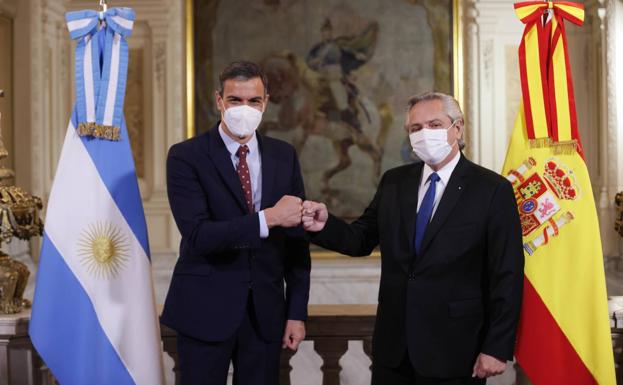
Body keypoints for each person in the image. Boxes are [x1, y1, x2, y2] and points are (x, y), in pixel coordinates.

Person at [302, 91, 524, 385]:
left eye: (434, 124)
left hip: (456, 351)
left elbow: (506, 275)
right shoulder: (394, 182)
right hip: (393, 351)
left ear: (457, 129)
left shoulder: (492, 190)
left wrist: (496, 347)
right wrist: (323, 224)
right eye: (415, 128)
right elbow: (360, 239)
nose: (424, 134)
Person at [161, 61, 310, 385]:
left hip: (265, 314)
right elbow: (199, 235)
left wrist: (296, 311)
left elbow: (296, 242)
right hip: (203, 308)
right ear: (219, 100)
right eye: (235, 100)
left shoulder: (283, 155)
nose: (244, 109)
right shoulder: (186, 156)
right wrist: (267, 218)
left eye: (253, 101)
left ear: (266, 102)